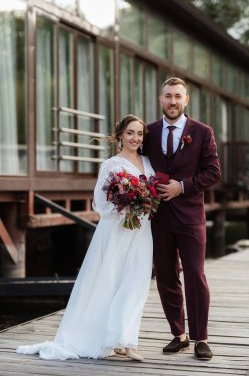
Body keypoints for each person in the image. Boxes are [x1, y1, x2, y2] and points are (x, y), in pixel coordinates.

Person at [16, 114, 156, 362]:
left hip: (142, 232)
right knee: (110, 282)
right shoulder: (111, 165)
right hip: (116, 232)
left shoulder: (148, 161)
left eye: (140, 133)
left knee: (136, 283)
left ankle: (127, 341)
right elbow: (99, 204)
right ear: (120, 136)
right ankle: (111, 338)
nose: (135, 138)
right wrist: (126, 207)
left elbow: (154, 193)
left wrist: (144, 203)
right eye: (130, 133)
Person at [143, 77, 221, 360]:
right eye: (168, 96)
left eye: (178, 96)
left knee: (195, 274)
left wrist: (182, 186)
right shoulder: (148, 132)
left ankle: (201, 337)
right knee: (165, 274)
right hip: (158, 217)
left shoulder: (202, 132)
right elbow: (135, 163)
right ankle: (179, 334)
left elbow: (213, 172)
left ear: (185, 100)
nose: (173, 101)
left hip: (190, 217)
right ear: (160, 99)